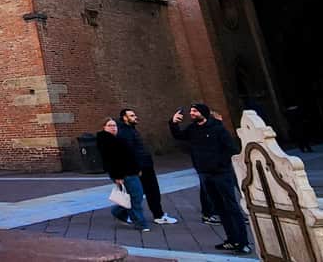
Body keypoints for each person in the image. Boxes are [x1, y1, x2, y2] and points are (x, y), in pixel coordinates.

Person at [170, 103, 251, 255]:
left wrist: (219, 163)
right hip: (205, 174)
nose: (192, 114)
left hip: (221, 173)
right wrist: (173, 123)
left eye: (195, 111)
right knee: (220, 208)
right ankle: (231, 240)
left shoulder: (218, 129)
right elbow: (179, 136)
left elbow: (232, 149)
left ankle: (243, 242)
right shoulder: (193, 129)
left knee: (232, 208)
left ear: (203, 113)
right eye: (191, 111)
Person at [117, 108, 177, 224]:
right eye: (132, 115)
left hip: (146, 166)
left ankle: (125, 213)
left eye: (135, 115)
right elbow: (129, 152)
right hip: (141, 168)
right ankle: (157, 215)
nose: (135, 117)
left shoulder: (131, 130)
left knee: (145, 192)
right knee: (147, 192)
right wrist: (137, 167)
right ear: (125, 118)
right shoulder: (125, 132)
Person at [97, 117, 150, 232]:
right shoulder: (106, 141)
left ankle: (118, 212)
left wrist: (137, 168)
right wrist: (117, 176)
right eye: (110, 125)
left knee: (137, 195)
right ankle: (140, 223)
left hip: (131, 171)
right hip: (123, 173)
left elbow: (129, 155)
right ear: (104, 127)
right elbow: (110, 160)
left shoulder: (118, 139)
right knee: (136, 196)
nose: (113, 128)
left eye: (114, 126)